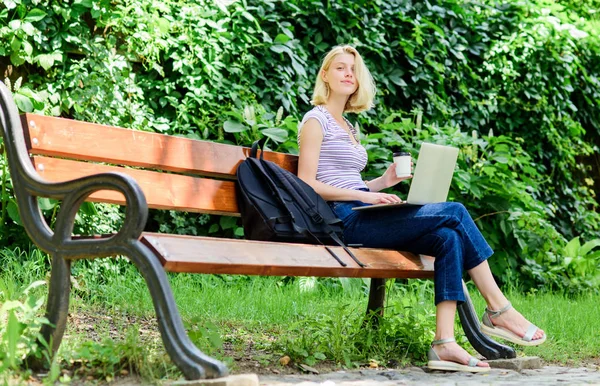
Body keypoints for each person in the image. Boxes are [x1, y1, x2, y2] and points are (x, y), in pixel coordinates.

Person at [297, 45, 546, 373]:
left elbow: (352, 183)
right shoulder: (316, 120)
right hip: (343, 220)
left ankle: (443, 343)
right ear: (325, 75)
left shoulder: (348, 126)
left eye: (353, 70)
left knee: (447, 237)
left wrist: (381, 184)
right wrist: (367, 198)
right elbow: (306, 184)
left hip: (363, 210)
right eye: (340, 68)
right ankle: (498, 308)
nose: (348, 74)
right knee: (454, 211)